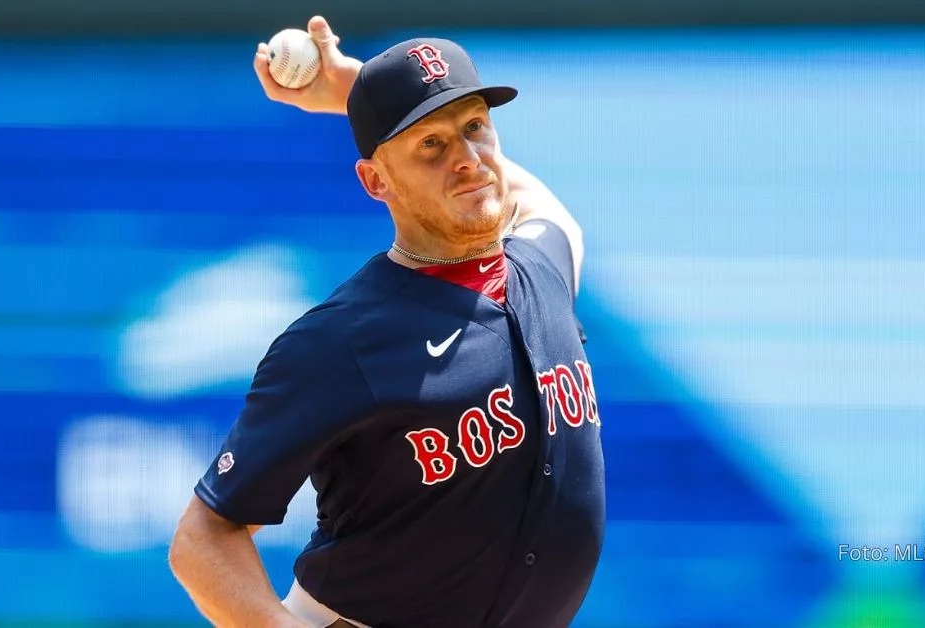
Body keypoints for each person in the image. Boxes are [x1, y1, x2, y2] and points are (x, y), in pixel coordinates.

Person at [168, 15, 605, 628]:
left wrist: (354, 90)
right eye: (431, 143)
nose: (468, 160)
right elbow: (203, 538)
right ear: (375, 181)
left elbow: (544, 209)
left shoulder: (542, 271)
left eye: (475, 127)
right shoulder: (343, 339)